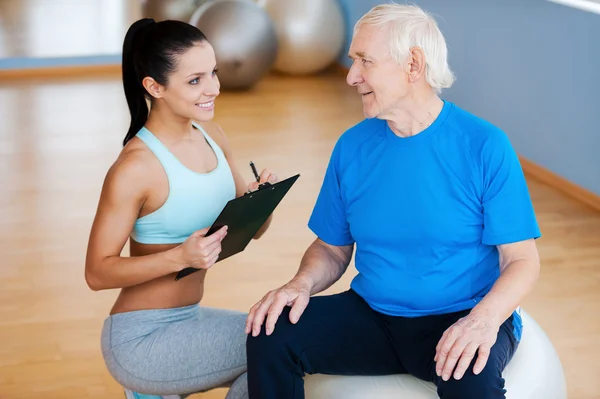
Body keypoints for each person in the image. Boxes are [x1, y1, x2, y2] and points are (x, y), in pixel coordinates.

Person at [244, 3, 541, 399]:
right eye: (353, 61)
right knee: (272, 331)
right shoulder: (353, 146)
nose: (351, 76)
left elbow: (521, 260)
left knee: (473, 380)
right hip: (374, 316)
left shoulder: (483, 145)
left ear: (413, 64)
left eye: (365, 61)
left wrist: (483, 320)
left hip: (461, 314)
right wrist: (300, 284)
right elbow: (332, 250)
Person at [85, 18, 278, 399]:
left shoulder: (213, 135)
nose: (213, 89)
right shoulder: (135, 168)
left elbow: (256, 229)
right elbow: (96, 272)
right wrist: (179, 257)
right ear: (154, 87)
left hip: (190, 318)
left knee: (279, 342)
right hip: (141, 338)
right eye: (195, 80)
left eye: (213, 73)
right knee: (277, 348)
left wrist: (260, 199)